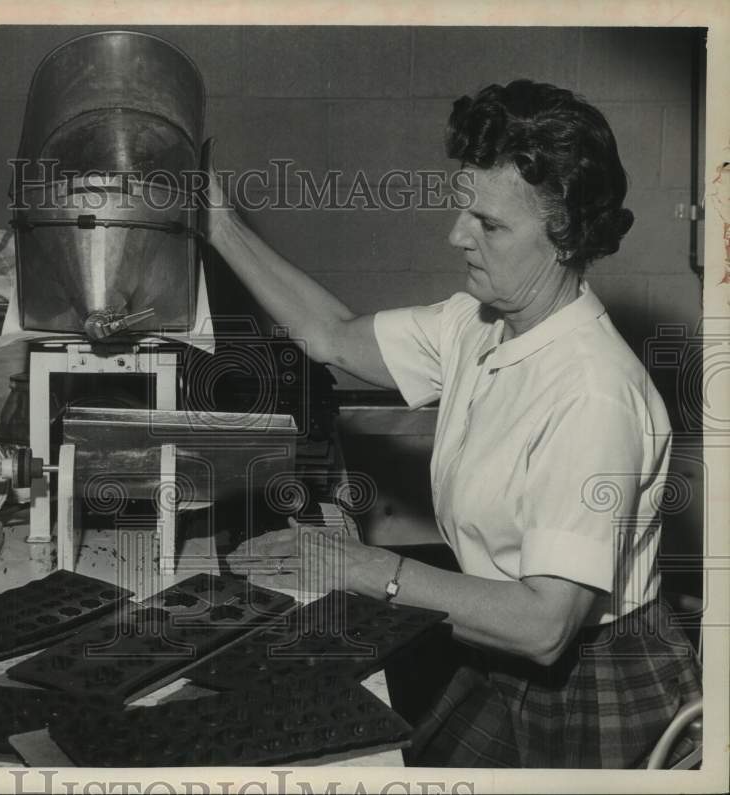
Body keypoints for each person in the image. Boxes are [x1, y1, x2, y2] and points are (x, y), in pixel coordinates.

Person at [207, 79, 702, 768]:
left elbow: (543, 625)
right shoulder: (478, 323)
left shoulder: (593, 393)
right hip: (499, 656)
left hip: (588, 683)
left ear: (566, 238)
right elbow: (332, 333)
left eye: (489, 225)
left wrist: (359, 564)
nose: (456, 236)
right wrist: (219, 223)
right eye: (464, 211)